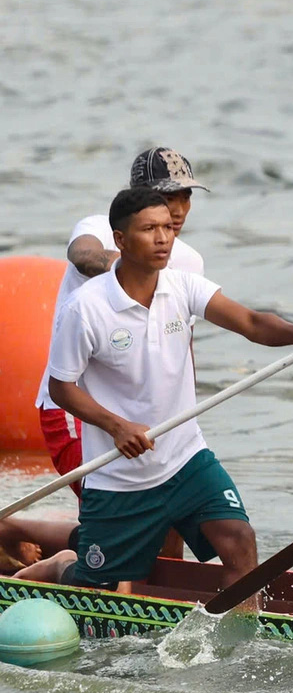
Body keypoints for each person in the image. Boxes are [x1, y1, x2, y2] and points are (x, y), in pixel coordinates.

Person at [43, 187, 293, 598]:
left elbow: (251, 322)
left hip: (186, 460)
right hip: (119, 479)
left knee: (240, 541)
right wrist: (117, 426)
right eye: (150, 229)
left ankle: (236, 649)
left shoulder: (183, 286)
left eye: (168, 227)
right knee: (95, 588)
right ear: (120, 240)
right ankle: (55, 569)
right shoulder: (86, 308)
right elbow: (61, 387)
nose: (163, 238)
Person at [38, 148, 207, 501]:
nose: (177, 210)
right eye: (166, 196)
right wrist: (132, 263)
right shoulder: (99, 228)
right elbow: (83, 256)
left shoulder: (189, 261)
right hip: (77, 409)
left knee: (170, 509)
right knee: (117, 515)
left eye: (185, 197)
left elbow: (182, 346)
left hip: (148, 415)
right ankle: (38, 543)